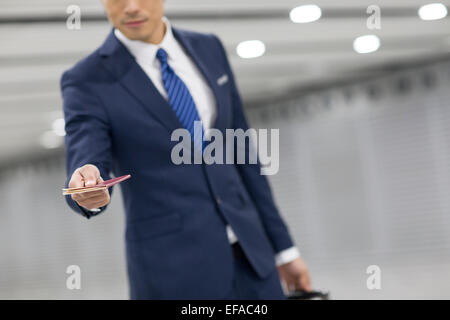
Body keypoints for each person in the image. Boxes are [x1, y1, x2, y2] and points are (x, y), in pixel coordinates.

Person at [61, 0, 311, 299]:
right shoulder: (87, 79)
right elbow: (86, 150)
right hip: (173, 273)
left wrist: (284, 250)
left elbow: (244, 153)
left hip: (253, 260)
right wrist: (87, 184)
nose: (130, 7)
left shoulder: (209, 48)